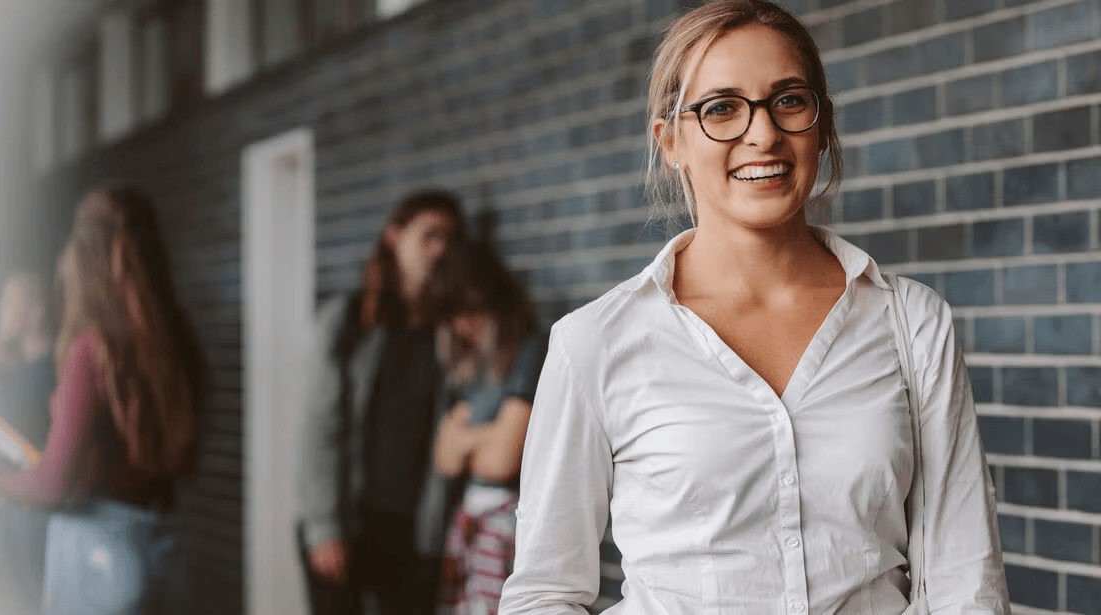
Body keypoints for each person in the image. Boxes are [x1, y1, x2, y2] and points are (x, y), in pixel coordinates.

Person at [499, 2, 1010, 614]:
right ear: (671, 142)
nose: (762, 133)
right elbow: (544, 593)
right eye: (721, 108)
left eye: (789, 100)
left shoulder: (913, 325)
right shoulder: (594, 343)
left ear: (822, 127)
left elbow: (966, 582)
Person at [0, 184, 204, 615]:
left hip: (99, 557)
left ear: (81, 261)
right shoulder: (178, 343)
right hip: (164, 544)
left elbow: (54, 483)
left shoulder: (91, 352)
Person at [297, 189, 466, 615]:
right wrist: (323, 528)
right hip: (347, 523)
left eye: (449, 238)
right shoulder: (347, 321)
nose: (440, 248)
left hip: (413, 529)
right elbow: (319, 429)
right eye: (429, 235)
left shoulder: (450, 329)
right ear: (394, 237)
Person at [429, 239, 546, 615]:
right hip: (470, 525)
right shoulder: (468, 364)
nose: (463, 325)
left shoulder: (530, 351)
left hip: (510, 527)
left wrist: (468, 440)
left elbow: (501, 461)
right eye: (454, 316)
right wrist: (491, 434)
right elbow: (445, 460)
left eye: (471, 311)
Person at [0, 270, 57, 612]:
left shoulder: (54, 368)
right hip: (8, 500)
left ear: (36, 312)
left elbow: (30, 440)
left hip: (35, 510)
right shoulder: (17, 369)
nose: (0, 310)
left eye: (10, 301)